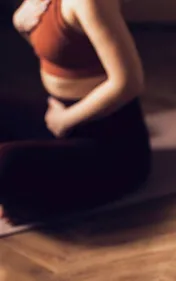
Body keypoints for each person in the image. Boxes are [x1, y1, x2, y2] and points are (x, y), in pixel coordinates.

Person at [1, 0, 151, 223]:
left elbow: (129, 83)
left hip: (110, 142)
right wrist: (23, 26)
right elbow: (60, 49)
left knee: (4, 162)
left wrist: (65, 121)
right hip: (60, 116)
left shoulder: (89, 2)